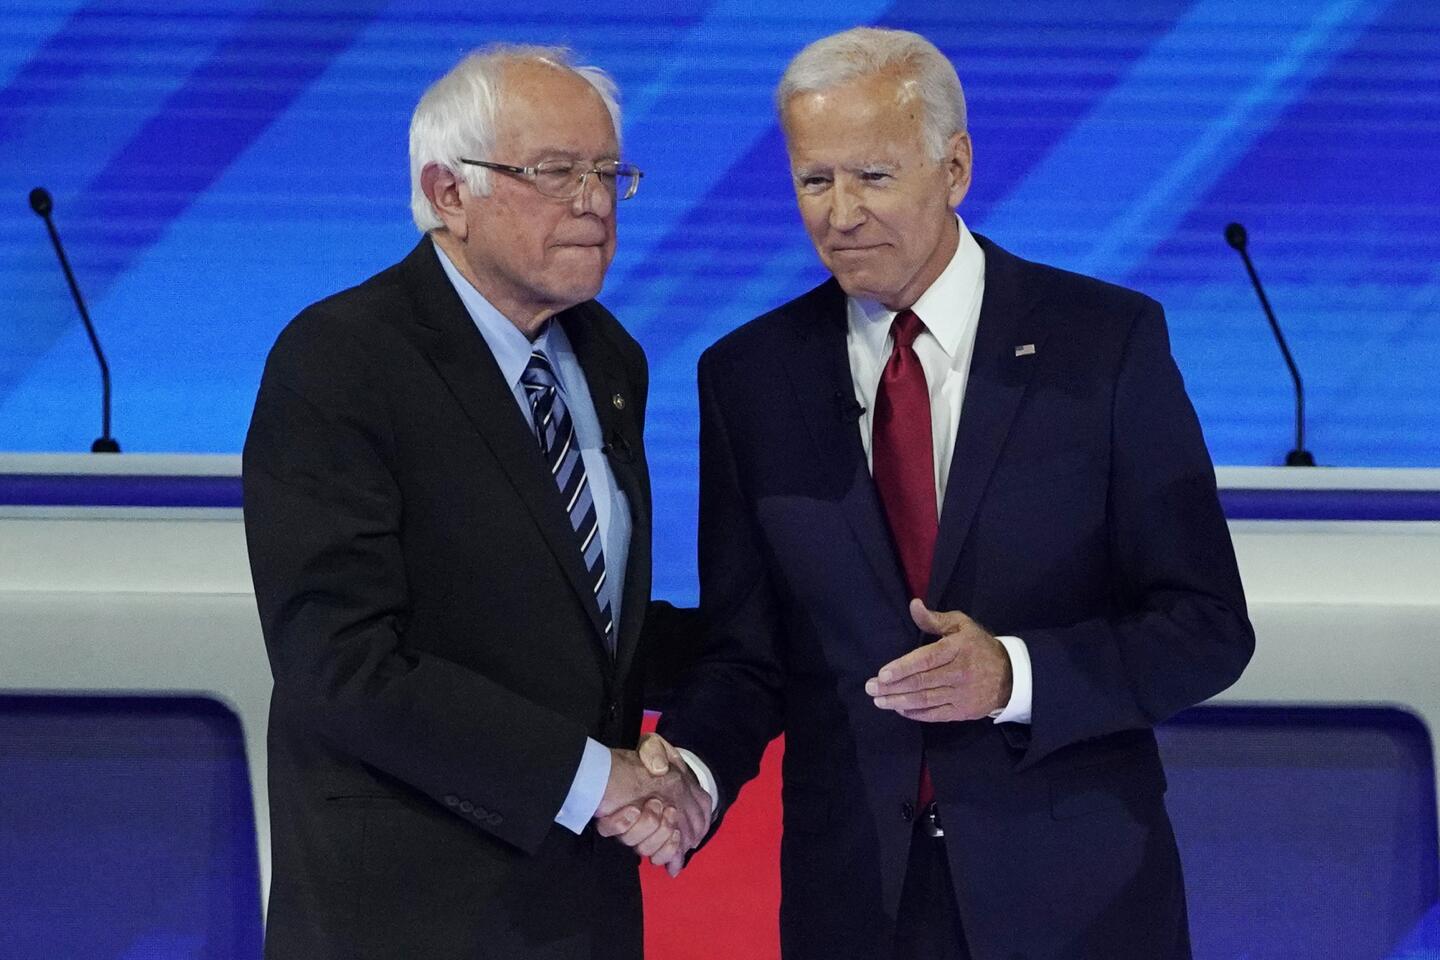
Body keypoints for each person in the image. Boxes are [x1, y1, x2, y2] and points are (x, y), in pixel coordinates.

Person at [641, 26, 1255, 960]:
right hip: (855, 906)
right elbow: (748, 652)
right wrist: (691, 771)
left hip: (1075, 901)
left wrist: (1015, 676)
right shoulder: (749, 378)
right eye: (815, 181)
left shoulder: (1106, 345)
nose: (839, 214)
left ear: (955, 166)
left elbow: (1206, 626)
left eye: (873, 178)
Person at [243, 44, 710, 960]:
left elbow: (578, 628)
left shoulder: (610, 357)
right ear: (447, 192)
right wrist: (591, 780)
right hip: (405, 913)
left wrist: (769, 662)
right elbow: (339, 663)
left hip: (579, 909)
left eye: (610, 172)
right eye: (554, 172)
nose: (596, 202)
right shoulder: (341, 358)